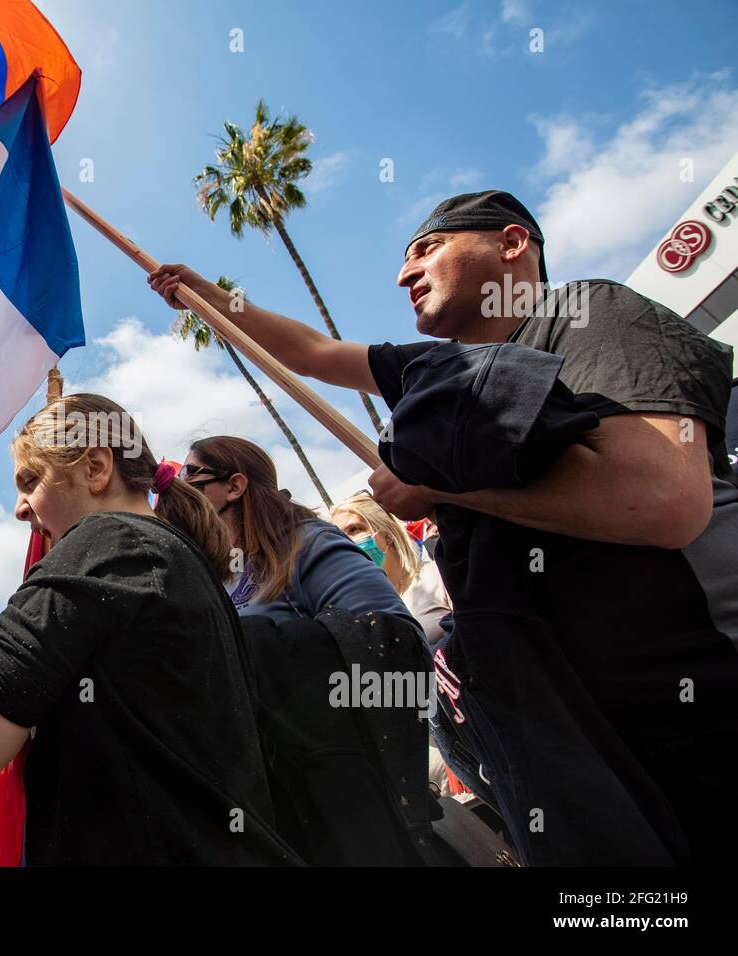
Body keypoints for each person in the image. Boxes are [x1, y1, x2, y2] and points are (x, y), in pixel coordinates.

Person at [148, 189, 738, 865]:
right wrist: (211, 297)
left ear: (512, 245)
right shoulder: (440, 374)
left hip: (693, 699)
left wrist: (440, 486)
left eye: (428, 250)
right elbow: (312, 353)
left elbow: (662, 498)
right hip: (576, 743)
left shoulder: (589, 315)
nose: (404, 275)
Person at [0, 393, 301, 866]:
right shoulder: (181, 563)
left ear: (96, 468)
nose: (20, 509)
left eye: (31, 481)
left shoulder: (106, 541)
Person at [183, 436, 418, 628]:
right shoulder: (224, 571)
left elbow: (394, 639)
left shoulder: (310, 544)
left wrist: (263, 647)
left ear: (234, 486)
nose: (179, 486)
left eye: (189, 473)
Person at [329, 491, 452, 646]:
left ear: (386, 532)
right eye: (340, 537)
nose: (347, 542)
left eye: (354, 529)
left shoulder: (438, 575)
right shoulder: (363, 612)